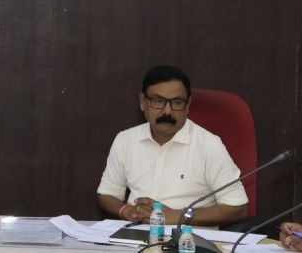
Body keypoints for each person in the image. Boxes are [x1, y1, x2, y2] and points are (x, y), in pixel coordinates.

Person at [97, 65, 248, 227]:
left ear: (188, 106)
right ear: (143, 102)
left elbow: (237, 208)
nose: (167, 111)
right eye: (158, 101)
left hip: (189, 238)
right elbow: (107, 194)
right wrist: (126, 210)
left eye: (177, 102)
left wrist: (180, 216)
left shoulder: (209, 145)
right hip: (136, 234)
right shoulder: (125, 140)